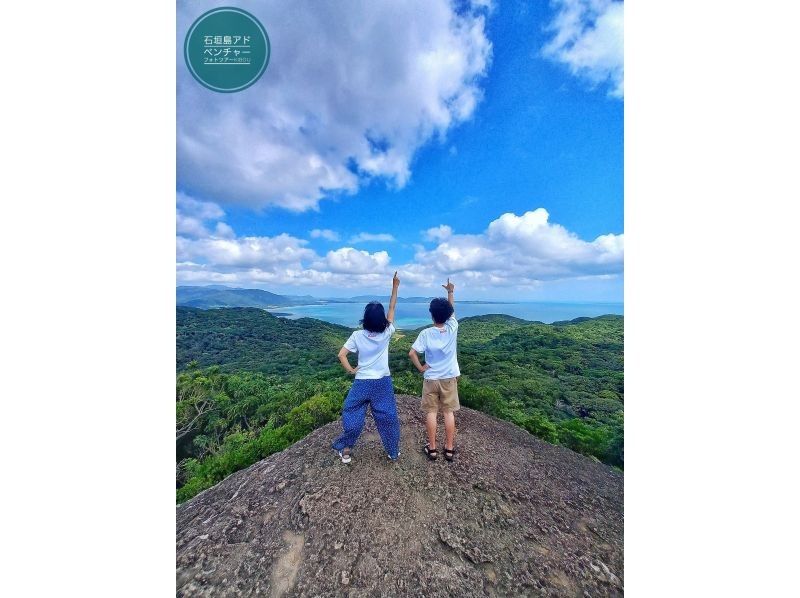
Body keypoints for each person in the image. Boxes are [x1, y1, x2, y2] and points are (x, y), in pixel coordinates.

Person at [331, 272, 401, 464]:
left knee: (352, 412)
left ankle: (346, 450)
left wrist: (351, 370)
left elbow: (341, 354)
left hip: (362, 381)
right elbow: (392, 307)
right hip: (382, 382)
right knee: (388, 417)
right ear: (381, 320)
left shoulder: (357, 336)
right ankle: (393, 452)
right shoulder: (387, 332)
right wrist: (395, 286)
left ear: (365, 319)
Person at [408, 278, 460, 462]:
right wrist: (450, 292)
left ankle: (432, 449)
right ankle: (449, 449)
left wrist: (421, 368)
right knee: (448, 413)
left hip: (431, 378)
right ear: (448, 315)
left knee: (431, 413)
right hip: (448, 378)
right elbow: (451, 313)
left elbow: (412, 353)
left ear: (431, 315)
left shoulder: (426, 333)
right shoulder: (452, 327)